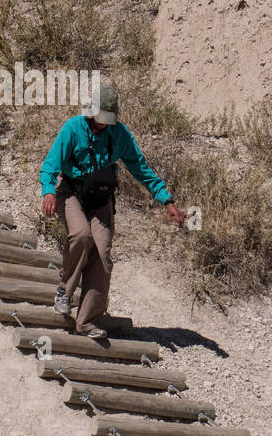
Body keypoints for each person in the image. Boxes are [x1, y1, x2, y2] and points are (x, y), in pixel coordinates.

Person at [39, 83, 185, 342]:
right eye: (98, 119)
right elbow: (51, 164)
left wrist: (166, 200)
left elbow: (140, 168)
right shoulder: (73, 128)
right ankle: (64, 291)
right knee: (81, 236)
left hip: (101, 199)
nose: (102, 124)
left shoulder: (121, 135)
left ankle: (87, 320)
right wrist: (48, 191)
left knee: (103, 255)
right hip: (71, 193)